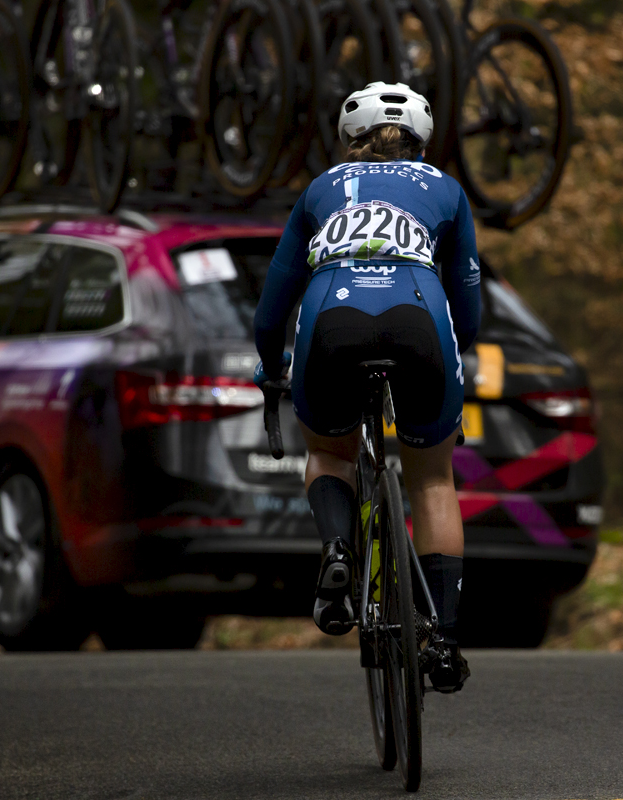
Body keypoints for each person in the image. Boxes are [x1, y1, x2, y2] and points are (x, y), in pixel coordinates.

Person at [253, 82, 479, 693]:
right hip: (419, 322)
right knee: (432, 478)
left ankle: (337, 551)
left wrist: (267, 365)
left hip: (331, 320)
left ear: (349, 139)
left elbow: (273, 309)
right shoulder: (448, 192)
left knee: (328, 451)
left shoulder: (320, 189)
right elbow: (469, 305)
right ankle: (446, 639)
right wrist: (466, 354)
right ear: (421, 143)